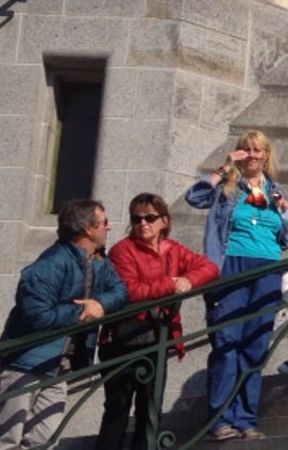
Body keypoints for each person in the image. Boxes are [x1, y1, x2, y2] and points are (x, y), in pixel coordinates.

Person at [0, 200, 128, 450]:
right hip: (25, 362)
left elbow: (120, 291)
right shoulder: (50, 264)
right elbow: (38, 316)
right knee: (7, 440)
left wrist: (100, 304)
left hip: (58, 365)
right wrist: (83, 311)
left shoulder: (97, 261)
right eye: (105, 222)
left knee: (45, 439)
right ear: (88, 228)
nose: (110, 227)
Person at [185, 129, 288, 442]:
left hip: (268, 267)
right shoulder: (229, 187)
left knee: (256, 345)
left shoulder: (276, 191)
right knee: (227, 342)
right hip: (231, 264)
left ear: (267, 155)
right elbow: (195, 197)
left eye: (258, 150)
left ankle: (246, 419)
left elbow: (287, 239)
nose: (252, 155)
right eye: (246, 149)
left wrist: (287, 212)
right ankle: (221, 418)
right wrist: (224, 166)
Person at [96, 193, 219, 450]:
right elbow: (131, 291)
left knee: (150, 409)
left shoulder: (172, 249)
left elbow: (209, 266)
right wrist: (172, 283)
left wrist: (190, 280)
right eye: (136, 218)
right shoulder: (122, 250)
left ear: (164, 220)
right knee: (118, 409)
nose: (143, 223)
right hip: (124, 338)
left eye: (150, 217)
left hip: (157, 336)